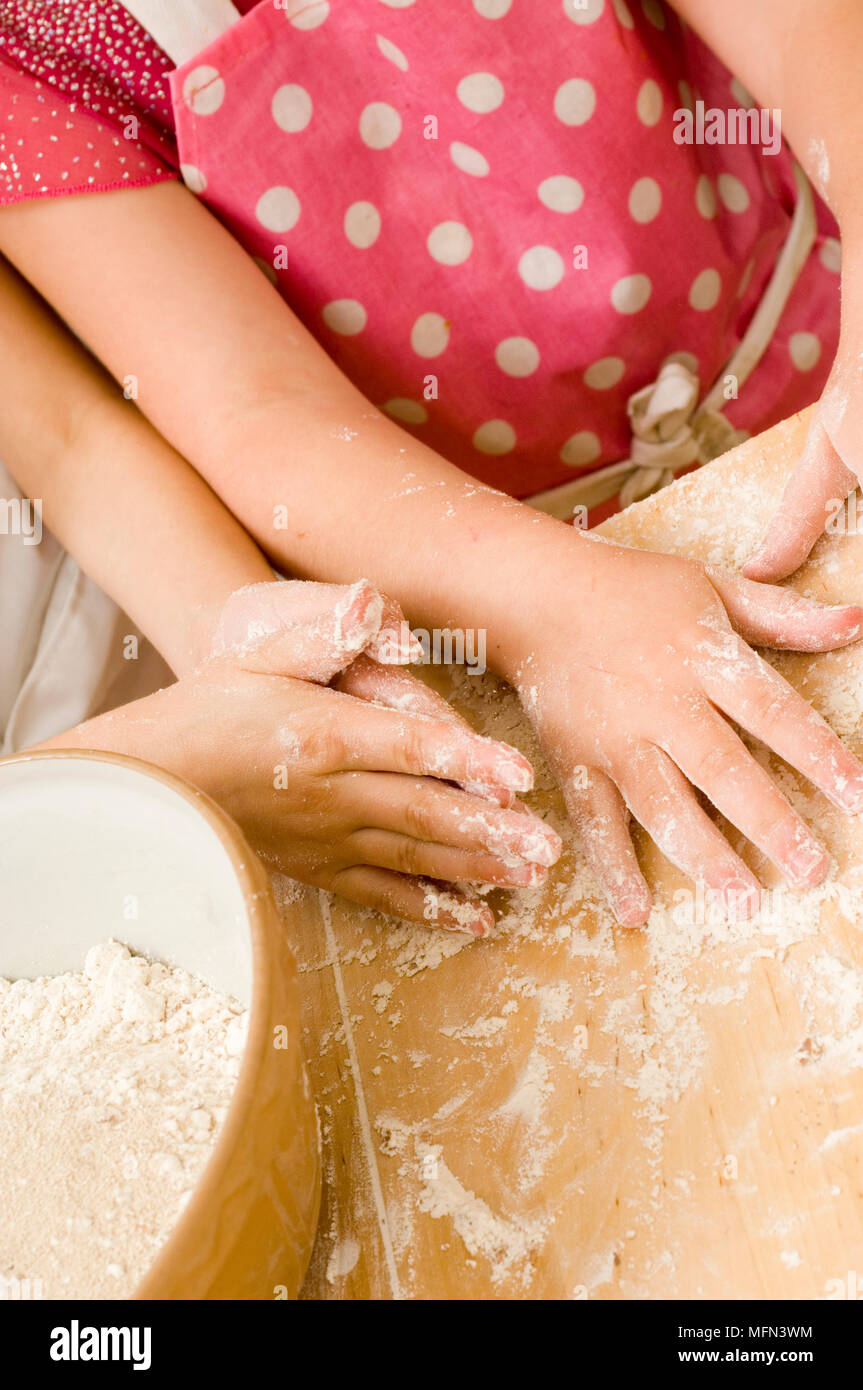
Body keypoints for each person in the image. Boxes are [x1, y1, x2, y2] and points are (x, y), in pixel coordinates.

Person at [2, 0, 863, 927]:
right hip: (491, 555)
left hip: (814, 356)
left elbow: (796, 31)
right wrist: (550, 610)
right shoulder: (40, 42)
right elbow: (258, 408)